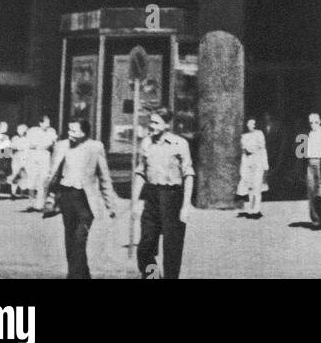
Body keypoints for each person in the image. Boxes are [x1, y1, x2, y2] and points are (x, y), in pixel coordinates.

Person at [49, 118, 117, 279]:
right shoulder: (61, 146)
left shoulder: (95, 147)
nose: (70, 134)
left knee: (79, 241)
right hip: (67, 197)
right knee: (70, 239)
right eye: (69, 130)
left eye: (74, 130)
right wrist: (48, 196)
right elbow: (53, 174)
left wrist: (110, 204)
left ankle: (73, 276)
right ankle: (82, 275)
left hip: (85, 201)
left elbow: (104, 176)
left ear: (84, 132)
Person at [133, 107, 194, 279]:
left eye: (155, 122)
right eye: (150, 122)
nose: (151, 126)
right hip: (151, 196)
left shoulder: (179, 144)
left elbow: (188, 174)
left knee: (172, 248)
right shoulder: (146, 143)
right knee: (145, 245)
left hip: (172, 196)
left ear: (167, 125)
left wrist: (186, 206)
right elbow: (140, 172)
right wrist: (135, 202)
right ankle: (152, 277)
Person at [238, 117, 268, 218]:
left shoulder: (259, 134)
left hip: (258, 162)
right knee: (250, 187)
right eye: (250, 124)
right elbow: (244, 152)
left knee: (257, 186)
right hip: (249, 163)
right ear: (247, 125)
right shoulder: (244, 136)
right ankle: (251, 208)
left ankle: (256, 209)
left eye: (254, 124)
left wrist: (265, 165)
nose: (252, 126)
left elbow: (262, 149)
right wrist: (244, 168)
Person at [25, 115, 57, 212]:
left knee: (43, 181)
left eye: (49, 123)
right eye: (46, 123)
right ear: (40, 123)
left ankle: (39, 204)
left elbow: (52, 144)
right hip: (34, 157)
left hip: (45, 157)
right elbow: (29, 144)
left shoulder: (51, 132)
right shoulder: (33, 131)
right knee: (32, 180)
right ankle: (30, 203)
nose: (48, 125)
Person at [10, 123, 30, 199]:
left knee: (24, 175)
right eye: (18, 130)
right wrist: (12, 155)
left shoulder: (28, 139)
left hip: (25, 158)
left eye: (21, 130)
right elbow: (11, 147)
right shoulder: (15, 138)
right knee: (15, 174)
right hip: (16, 158)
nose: (19, 131)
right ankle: (13, 192)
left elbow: (28, 149)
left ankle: (22, 192)